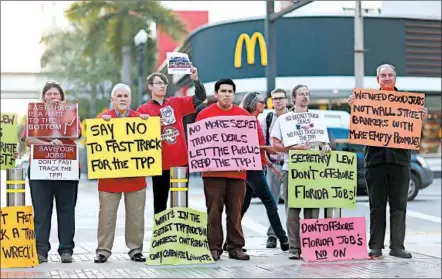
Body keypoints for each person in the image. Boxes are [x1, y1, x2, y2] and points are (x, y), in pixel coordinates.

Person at [348, 64, 428, 259]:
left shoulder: (409, 104)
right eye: (383, 75)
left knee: (399, 205)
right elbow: (359, 130)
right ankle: (375, 246)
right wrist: (355, 109)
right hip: (375, 161)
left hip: (400, 161)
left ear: (395, 78)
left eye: (389, 75)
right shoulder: (367, 102)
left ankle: (397, 246)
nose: (386, 78)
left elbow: (417, 136)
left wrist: (421, 120)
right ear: (377, 79)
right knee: (377, 206)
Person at [21, 81, 81, 264]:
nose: (53, 97)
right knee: (41, 212)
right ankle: (40, 251)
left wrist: (61, 121)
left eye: (56, 94)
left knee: (67, 210)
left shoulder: (71, 114)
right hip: (41, 169)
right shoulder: (34, 115)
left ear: (62, 98)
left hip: (67, 169)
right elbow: (28, 139)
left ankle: (66, 250)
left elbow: (76, 135)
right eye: (49, 94)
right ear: (43, 98)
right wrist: (48, 144)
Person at [270, 84, 331, 260]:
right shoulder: (284, 119)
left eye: (307, 94)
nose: (305, 97)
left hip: (313, 169)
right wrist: (294, 147)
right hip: (291, 168)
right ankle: (294, 249)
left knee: (312, 209)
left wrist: (324, 145)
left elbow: (322, 142)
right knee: (293, 210)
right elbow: (275, 145)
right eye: (301, 94)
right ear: (293, 98)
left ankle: (310, 247)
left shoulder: (317, 118)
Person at [137, 66, 206, 214]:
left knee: (180, 206)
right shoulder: (143, 110)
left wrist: (195, 79)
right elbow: (139, 139)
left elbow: (200, 98)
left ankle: (180, 236)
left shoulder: (175, 103)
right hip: (159, 165)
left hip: (180, 163)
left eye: (164, 83)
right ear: (150, 87)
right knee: (160, 206)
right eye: (158, 83)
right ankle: (161, 237)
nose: (162, 86)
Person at [93, 83, 150, 264]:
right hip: (109, 181)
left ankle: (136, 250)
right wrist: (102, 125)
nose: (123, 99)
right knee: (106, 217)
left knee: (136, 217)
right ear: (112, 99)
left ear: (130, 99)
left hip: (135, 180)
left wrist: (148, 124)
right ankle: (103, 250)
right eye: (119, 96)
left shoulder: (140, 120)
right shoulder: (102, 119)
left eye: (126, 96)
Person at [195, 78, 250, 261]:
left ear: (233, 94)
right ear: (216, 94)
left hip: (237, 173)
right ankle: (213, 247)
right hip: (212, 173)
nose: (227, 94)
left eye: (230, 91)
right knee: (213, 210)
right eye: (223, 91)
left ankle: (236, 247)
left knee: (235, 211)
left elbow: (253, 141)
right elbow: (197, 143)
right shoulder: (204, 114)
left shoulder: (243, 116)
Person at [237, 91, 289, 251]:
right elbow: (248, 146)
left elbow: (258, 150)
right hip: (251, 170)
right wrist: (267, 148)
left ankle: (231, 241)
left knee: (242, 208)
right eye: (261, 101)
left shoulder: (255, 121)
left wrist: (271, 166)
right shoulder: (246, 121)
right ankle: (283, 239)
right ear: (253, 103)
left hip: (256, 167)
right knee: (270, 204)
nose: (264, 104)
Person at [261, 88, 289, 248]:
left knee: (291, 203)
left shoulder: (293, 118)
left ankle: (293, 236)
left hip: (291, 164)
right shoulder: (268, 118)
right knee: (272, 202)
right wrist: (269, 165)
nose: (277, 101)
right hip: (274, 166)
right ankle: (273, 235)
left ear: (286, 100)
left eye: (280, 98)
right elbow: (263, 144)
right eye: (275, 98)